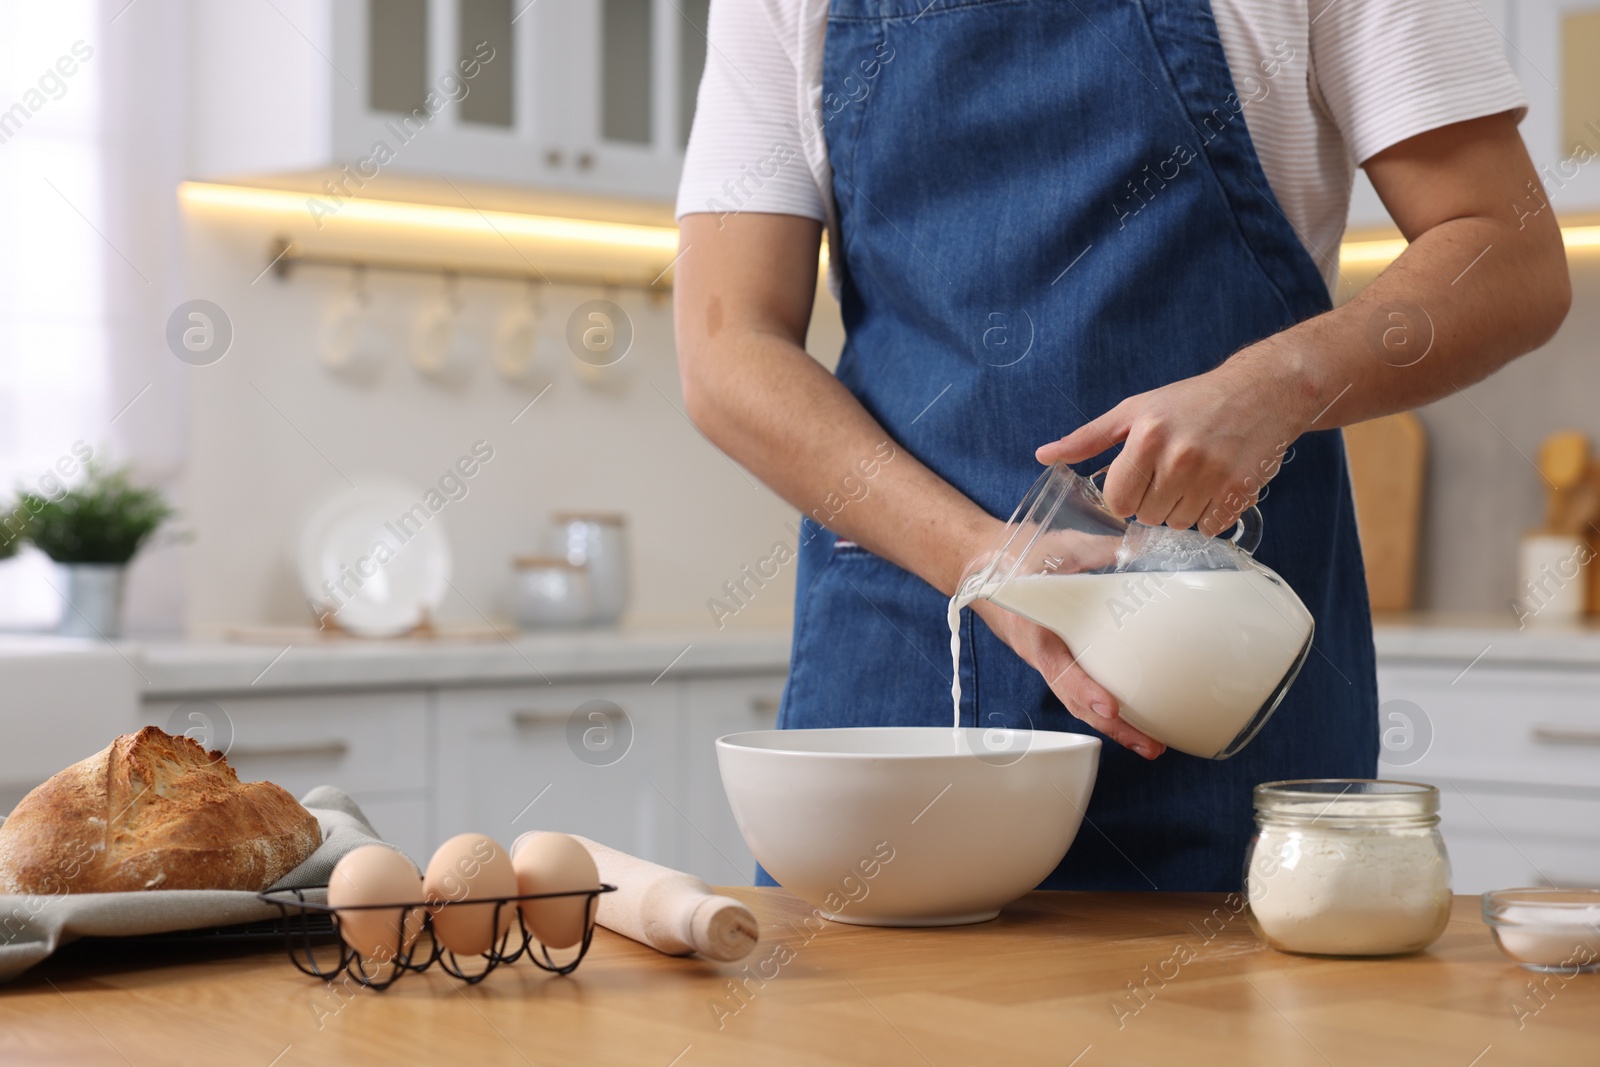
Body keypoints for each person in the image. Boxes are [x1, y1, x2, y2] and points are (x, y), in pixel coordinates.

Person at [672, 0, 1570, 890]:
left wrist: (1275, 385)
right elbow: (725, 353)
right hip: (900, 675)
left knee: (1235, 1033)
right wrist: (986, 561)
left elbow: (1511, 251)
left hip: (1218, 681)